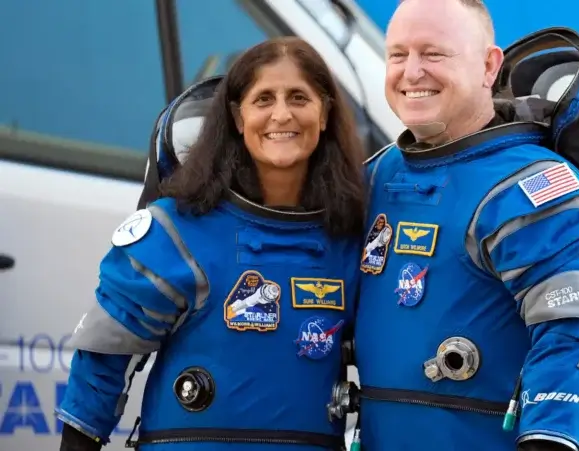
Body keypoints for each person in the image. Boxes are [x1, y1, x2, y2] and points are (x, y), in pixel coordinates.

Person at [349, 1, 579, 450]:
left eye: (433, 54)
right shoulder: (380, 174)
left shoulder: (533, 186)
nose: (411, 72)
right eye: (398, 54)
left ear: (489, 66)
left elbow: (578, 333)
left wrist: (549, 439)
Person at [56, 36, 366, 451]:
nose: (281, 114)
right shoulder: (177, 231)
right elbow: (103, 363)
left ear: (324, 113)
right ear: (238, 117)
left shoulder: (348, 240)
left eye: (298, 98)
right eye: (263, 99)